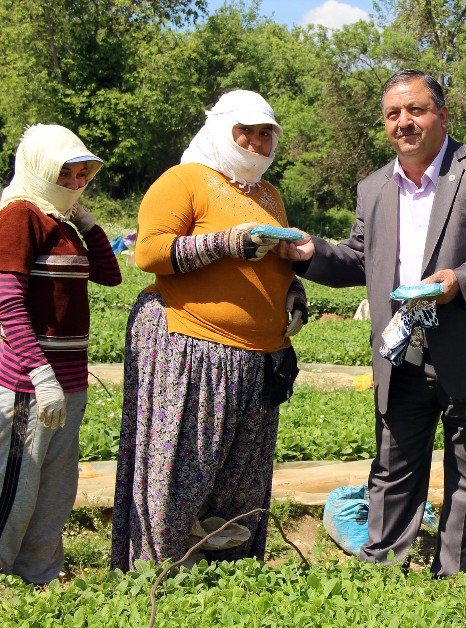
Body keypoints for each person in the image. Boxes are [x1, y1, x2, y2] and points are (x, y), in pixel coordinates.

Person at [279, 70, 466, 576]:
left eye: (415, 110)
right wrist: (311, 255)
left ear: (442, 114)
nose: (404, 122)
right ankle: (384, 574)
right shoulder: (374, 187)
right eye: (393, 114)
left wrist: (460, 281)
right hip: (403, 354)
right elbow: (360, 258)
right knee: (393, 471)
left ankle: (456, 578)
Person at [110, 91, 308, 570]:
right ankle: (159, 575)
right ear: (223, 130)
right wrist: (226, 243)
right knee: (183, 472)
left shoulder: (268, 194)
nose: (258, 141)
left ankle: (228, 578)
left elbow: (271, 261)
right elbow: (151, 253)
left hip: (257, 357)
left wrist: (293, 291)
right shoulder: (185, 180)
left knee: (239, 479)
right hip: (192, 345)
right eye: (248, 131)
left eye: (267, 133)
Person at [0, 125, 121, 584]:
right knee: (17, 486)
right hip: (31, 382)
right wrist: (38, 372)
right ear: (39, 170)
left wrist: (89, 225)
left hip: (69, 381)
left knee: (55, 490)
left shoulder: (62, 222)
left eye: (81, 174)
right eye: (64, 174)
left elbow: (109, 275)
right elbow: (7, 300)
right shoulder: (20, 215)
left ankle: (39, 576)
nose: (74, 183)